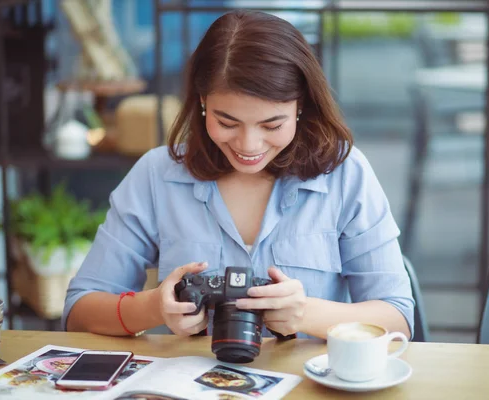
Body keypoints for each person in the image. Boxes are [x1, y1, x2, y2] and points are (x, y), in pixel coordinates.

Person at [63, 10, 414, 340]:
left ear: (301, 105)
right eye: (227, 122)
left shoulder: (345, 174)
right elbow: (79, 311)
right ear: (202, 102)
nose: (249, 145)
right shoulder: (157, 175)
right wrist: (153, 307)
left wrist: (305, 313)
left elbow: (398, 317)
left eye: (271, 124)